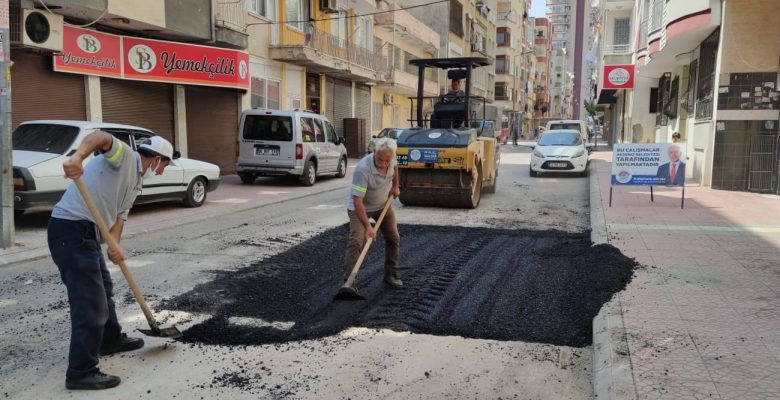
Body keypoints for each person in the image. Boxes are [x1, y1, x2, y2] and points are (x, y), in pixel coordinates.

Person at [48, 131, 176, 390]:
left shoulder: (136, 182)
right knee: (90, 304)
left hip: (89, 233)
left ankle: (110, 340)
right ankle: (81, 372)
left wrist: (115, 245)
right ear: (157, 159)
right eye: (165, 165)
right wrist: (78, 157)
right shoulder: (126, 158)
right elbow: (101, 137)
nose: (163, 171)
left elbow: (119, 218)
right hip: (70, 230)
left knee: (104, 291)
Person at [345, 137, 402, 291]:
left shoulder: (391, 157)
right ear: (374, 152)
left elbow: (395, 168)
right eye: (379, 159)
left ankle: (391, 273)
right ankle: (350, 282)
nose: (383, 164)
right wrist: (368, 228)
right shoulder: (363, 169)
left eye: (386, 160)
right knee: (357, 241)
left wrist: (396, 186)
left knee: (393, 237)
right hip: (360, 207)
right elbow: (357, 201)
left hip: (383, 205)